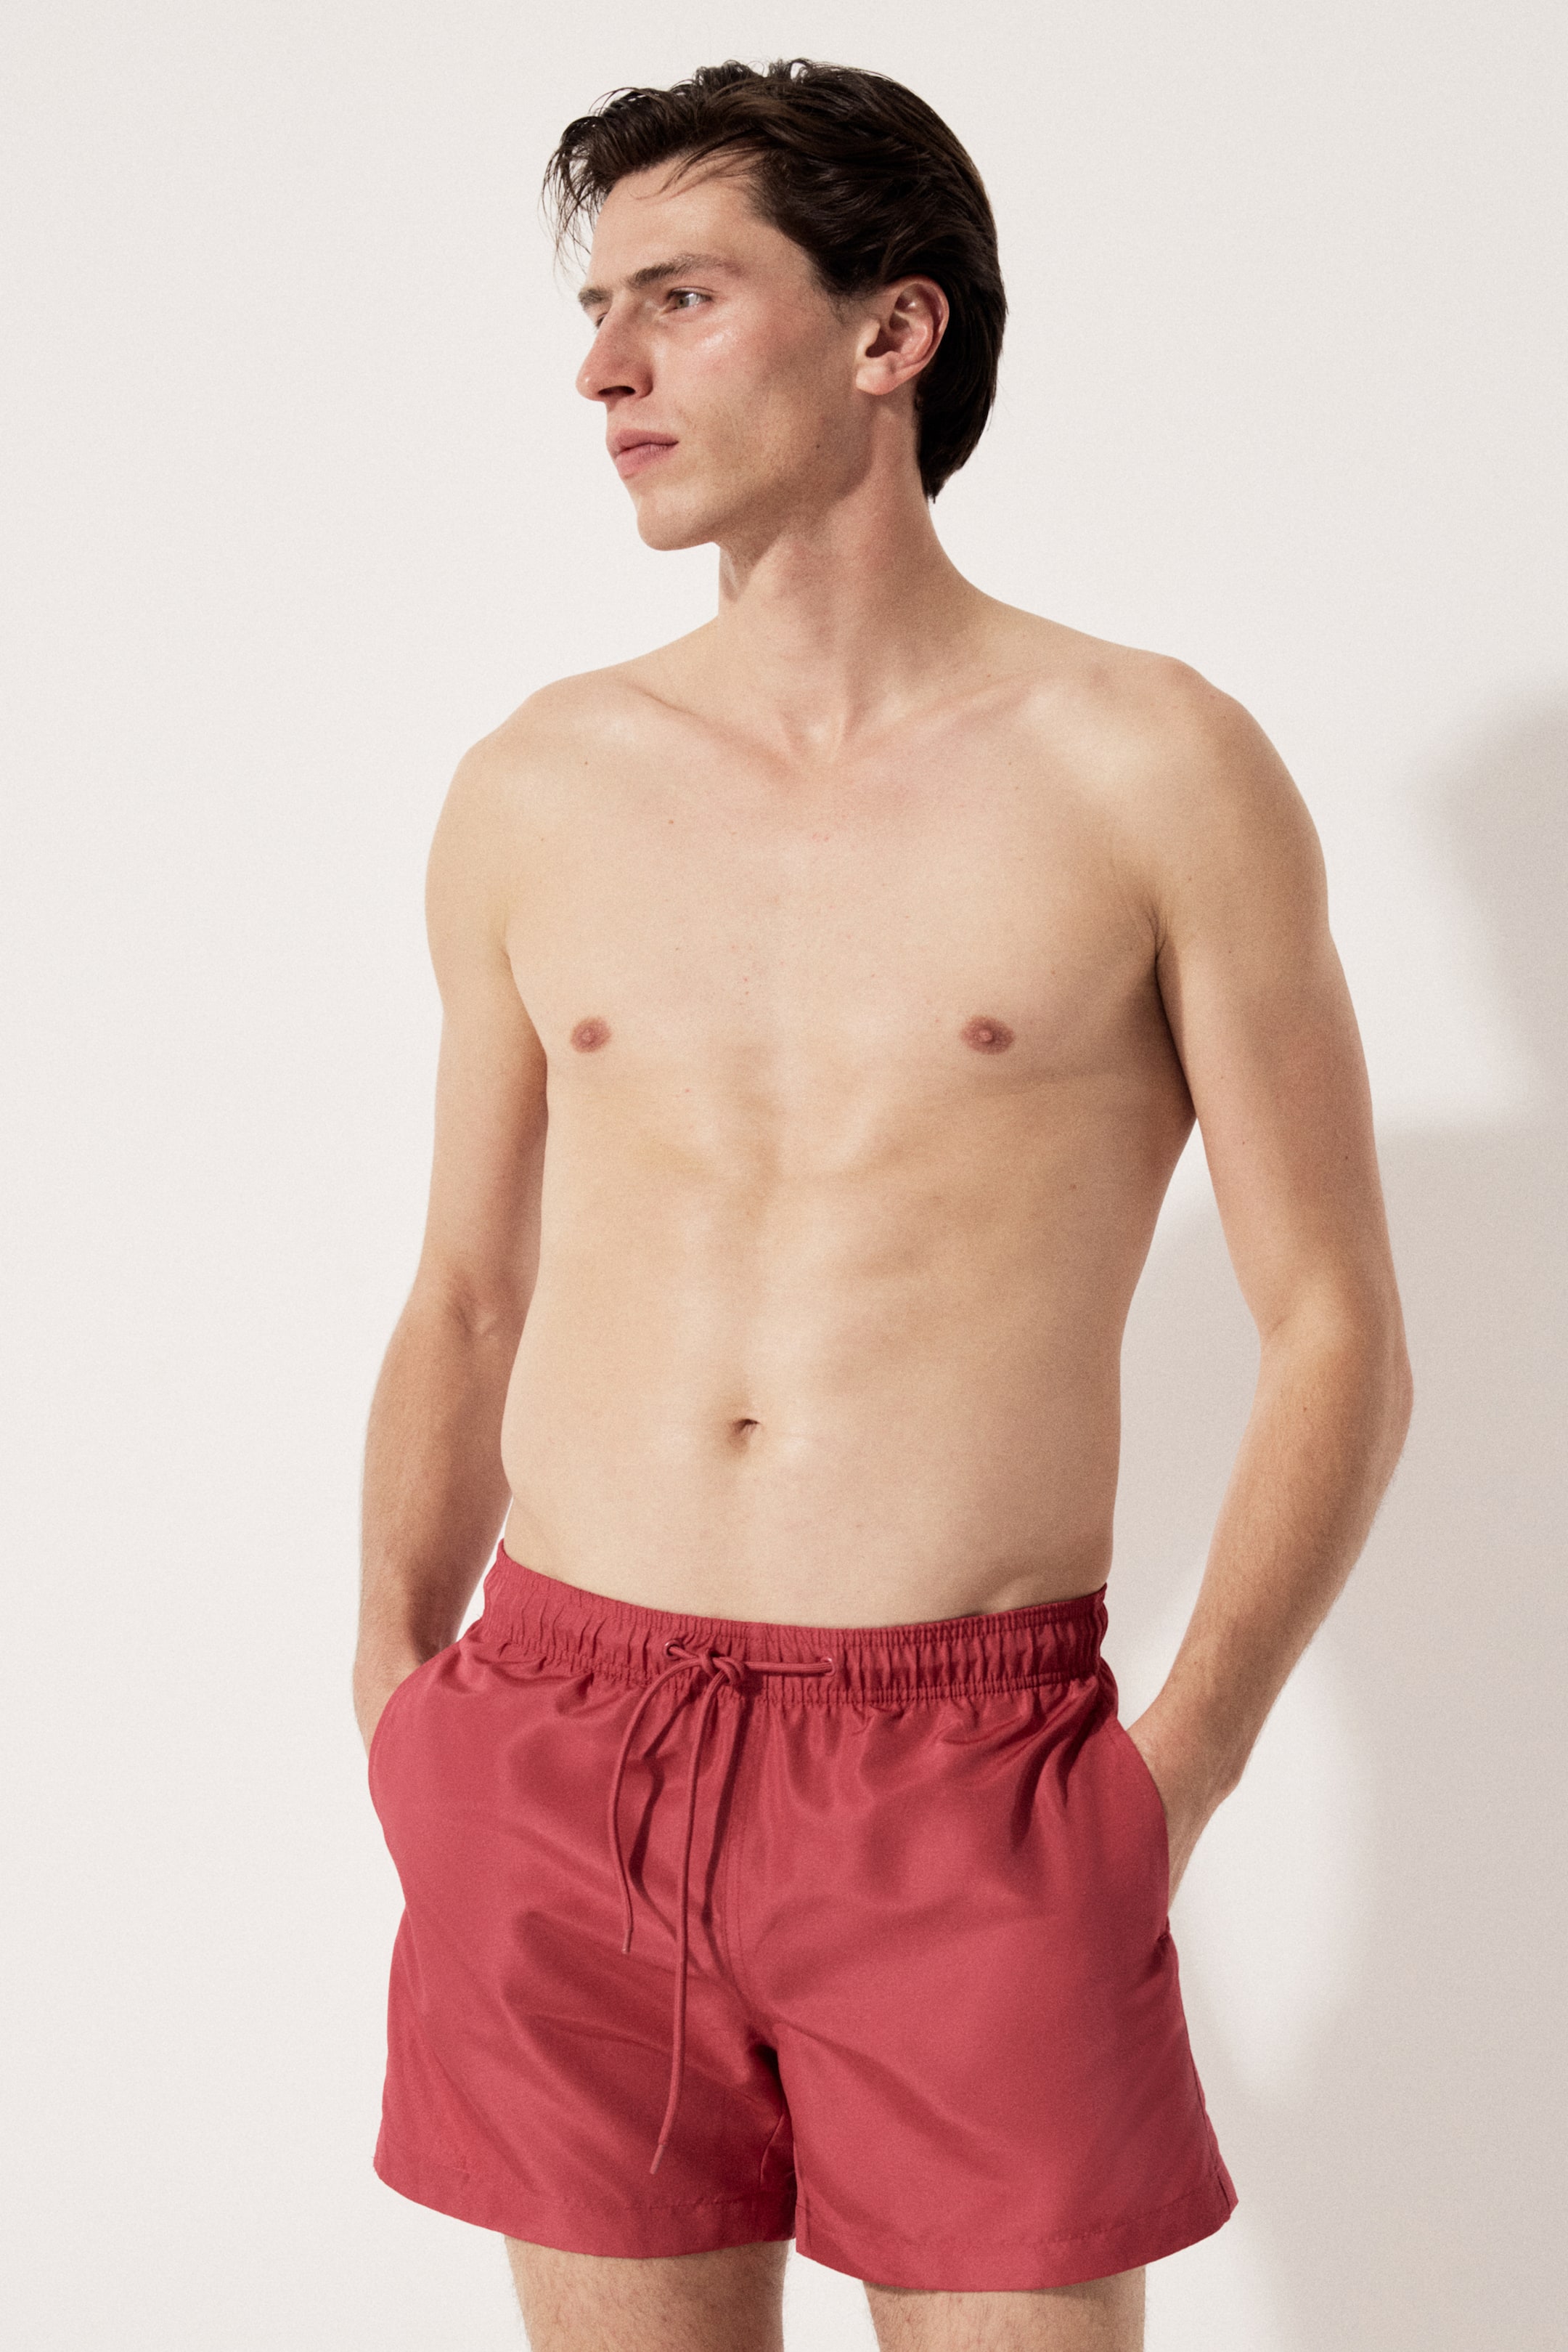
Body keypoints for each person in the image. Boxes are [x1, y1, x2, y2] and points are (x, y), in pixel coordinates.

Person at [353, 57, 1412, 2352]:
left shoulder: (1153, 765)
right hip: (560, 1734)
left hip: (968, 1771)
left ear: (890, 331)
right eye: (596, 308)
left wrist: (1175, 1774)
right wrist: (393, 1691)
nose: (604, 369)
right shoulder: (541, 780)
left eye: (680, 297)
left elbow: (1333, 1316)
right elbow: (465, 1292)